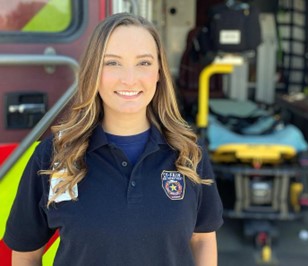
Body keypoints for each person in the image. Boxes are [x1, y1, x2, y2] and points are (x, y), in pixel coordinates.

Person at [4, 12, 223, 266]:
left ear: (159, 72)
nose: (129, 78)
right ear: (93, 71)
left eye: (143, 63)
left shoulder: (188, 152)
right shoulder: (55, 154)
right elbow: (26, 252)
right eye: (112, 63)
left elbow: (203, 238)